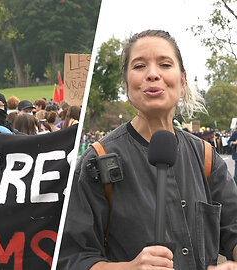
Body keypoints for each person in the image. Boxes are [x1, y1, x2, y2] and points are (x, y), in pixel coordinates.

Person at [58, 29, 237, 270]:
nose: (153, 74)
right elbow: (72, 258)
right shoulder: (99, 160)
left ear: (183, 80)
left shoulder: (205, 157)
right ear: (126, 83)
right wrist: (130, 267)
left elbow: (233, 230)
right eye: (140, 66)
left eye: (164, 64)